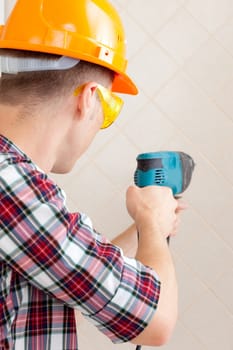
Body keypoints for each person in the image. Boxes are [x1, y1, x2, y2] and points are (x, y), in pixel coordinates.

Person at [0, 0, 186, 349]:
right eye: (109, 108)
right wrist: (150, 220)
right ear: (88, 99)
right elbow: (155, 320)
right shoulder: (10, 184)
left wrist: (149, 228)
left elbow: (68, 272)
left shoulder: (15, 184)